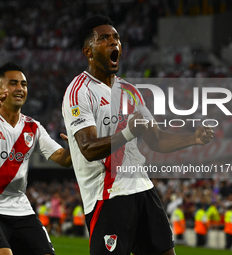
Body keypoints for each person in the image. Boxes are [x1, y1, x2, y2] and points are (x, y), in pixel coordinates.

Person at [62, 14, 214, 255]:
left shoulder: (130, 91)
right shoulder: (79, 91)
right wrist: (129, 131)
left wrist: (192, 138)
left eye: (116, 38)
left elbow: (157, 140)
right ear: (88, 52)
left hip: (143, 188)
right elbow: (89, 149)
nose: (114, 43)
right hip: (108, 195)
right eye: (104, 38)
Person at [0, 62, 71, 255]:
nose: (20, 88)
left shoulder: (33, 127)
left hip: (20, 209)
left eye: (24, 84)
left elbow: (63, 159)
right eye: (13, 83)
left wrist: (75, 146)